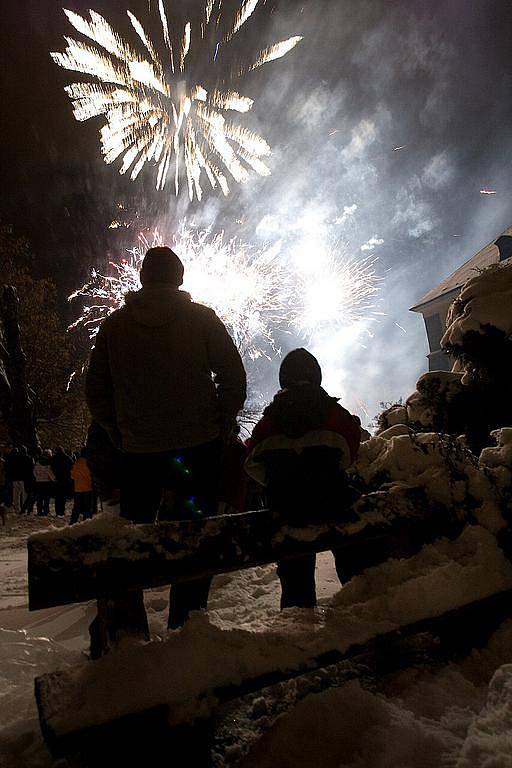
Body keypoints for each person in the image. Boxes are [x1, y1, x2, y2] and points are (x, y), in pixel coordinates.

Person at [85, 245, 246, 639]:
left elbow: (96, 390)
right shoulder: (202, 319)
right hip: (198, 447)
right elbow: (233, 376)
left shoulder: (115, 326)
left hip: (139, 452)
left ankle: (129, 631)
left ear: (142, 278)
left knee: (135, 538)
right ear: (180, 278)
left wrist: (117, 430)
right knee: (195, 537)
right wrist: (222, 422)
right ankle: (186, 626)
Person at [245, 348, 361, 609]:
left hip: (286, 509)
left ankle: (298, 623)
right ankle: (358, 610)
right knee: (353, 568)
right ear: (316, 376)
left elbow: (251, 461)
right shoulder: (334, 413)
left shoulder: (269, 420)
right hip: (333, 505)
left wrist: (277, 484)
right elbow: (351, 452)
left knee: (295, 584)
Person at [70, 449, 94, 523]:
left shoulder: (76, 463)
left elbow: (72, 476)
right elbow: (89, 474)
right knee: (87, 506)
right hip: (87, 487)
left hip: (78, 487)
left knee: (76, 506)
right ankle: (87, 521)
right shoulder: (88, 463)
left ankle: (73, 521)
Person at [51, 447, 73, 517]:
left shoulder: (54, 458)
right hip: (65, 479)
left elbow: (50, 468)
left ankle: (57, 511)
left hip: (57, 479)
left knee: (57, 496)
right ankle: (62, 511)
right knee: (63, 496)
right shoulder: (67, 458)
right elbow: (71, 467)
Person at [34, 450, 55, 516]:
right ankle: (46, 511)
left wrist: (37, 477)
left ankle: (39, 511)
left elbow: (34, 472)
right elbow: (50, 473)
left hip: (39, 482)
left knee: (39, 498)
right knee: (46, 498)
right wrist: (54, 479)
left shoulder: (37, 463)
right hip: (46, 482)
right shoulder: (48, 463)